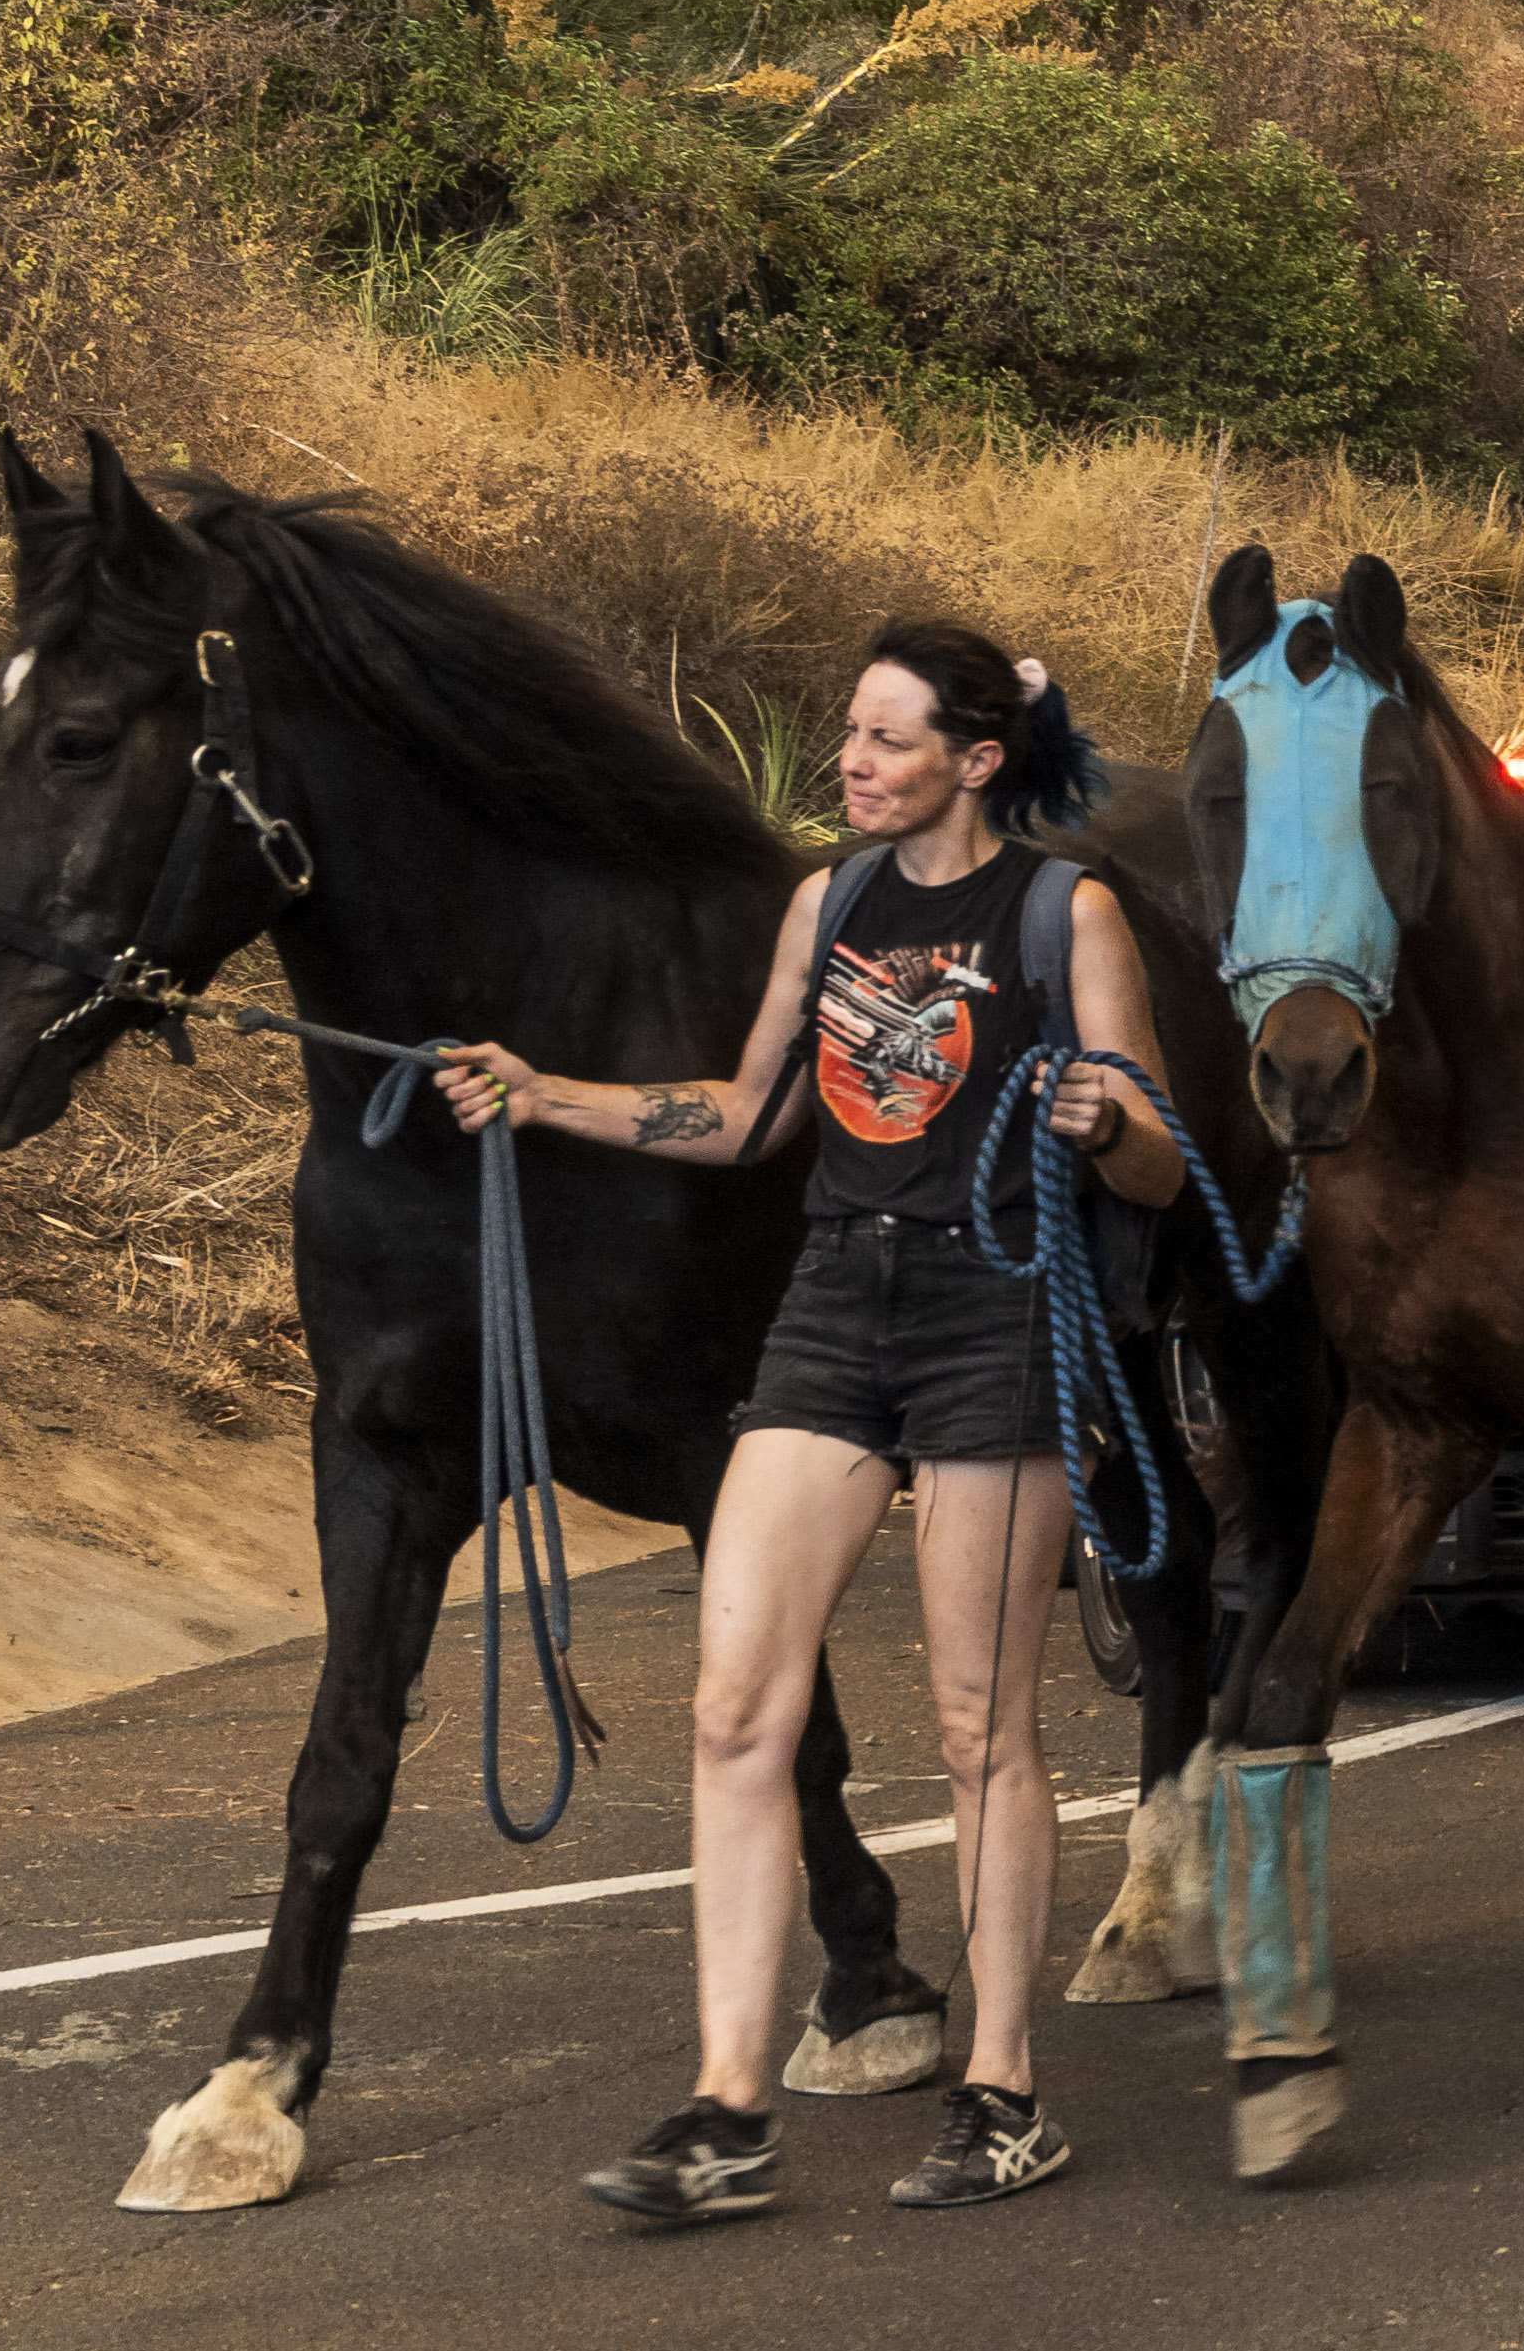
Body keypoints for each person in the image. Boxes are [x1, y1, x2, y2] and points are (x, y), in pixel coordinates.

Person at [435, 622, 1185, 2221]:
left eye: (888, 738)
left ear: (976, 761)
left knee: (981, 1723)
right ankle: (726, 2105)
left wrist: (1109, 1114)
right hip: (836, 1304)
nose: (850, 760)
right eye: (851, 732)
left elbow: (1163, 1165)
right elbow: (754, 1108)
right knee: (733, 1711)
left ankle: (1000, 2088)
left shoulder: (1066, 910)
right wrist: (541, 1090)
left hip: (997, 1304)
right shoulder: (825, 903)